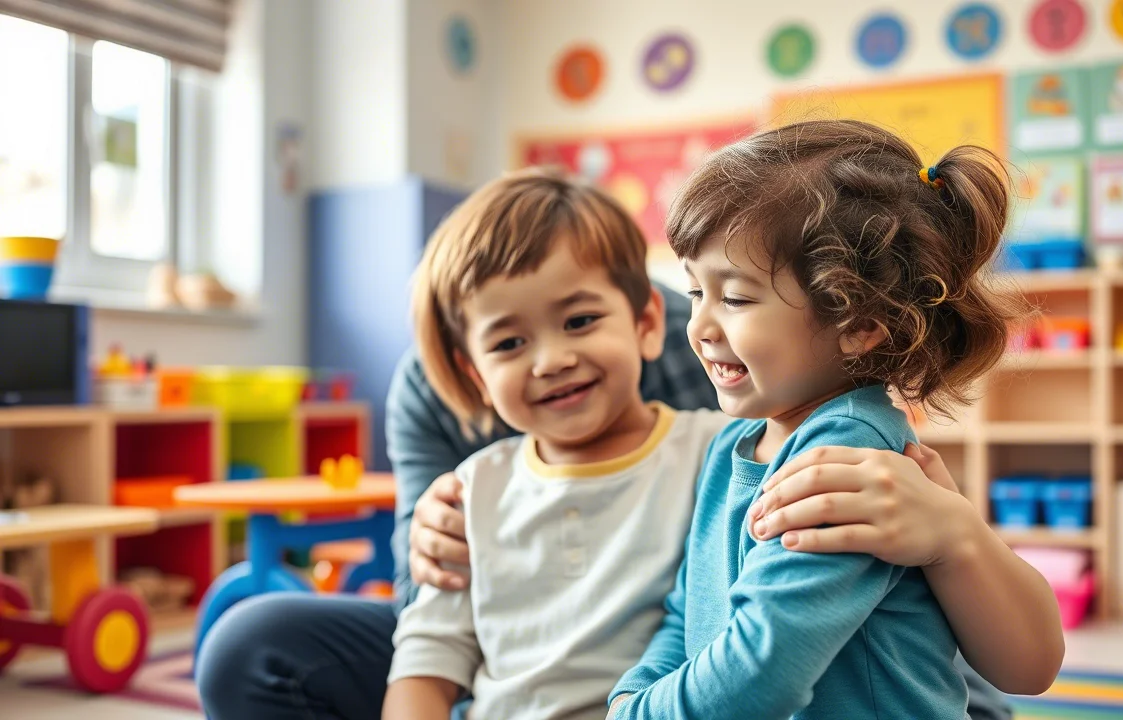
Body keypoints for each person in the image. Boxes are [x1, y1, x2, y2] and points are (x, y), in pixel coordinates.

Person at [195, 168, 1058, 720]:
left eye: (579, 320)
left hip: (708, 695)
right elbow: (437, 622)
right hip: (625, 695)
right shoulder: (490, 470)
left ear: (647, 320)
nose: (554, 358)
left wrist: (955, 533)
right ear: (465, 363)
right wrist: (430, 540)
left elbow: (770, 659)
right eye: (506, 342)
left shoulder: (731, 436)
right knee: (251, 638)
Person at [605, 120, 1059, 719]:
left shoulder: (846, 456)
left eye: (735, 298)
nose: (701, 329)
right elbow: (687, 616)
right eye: (694, 293)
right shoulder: (732, 448)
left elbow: (760, 674)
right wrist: (630, 699)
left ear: (858, 324)